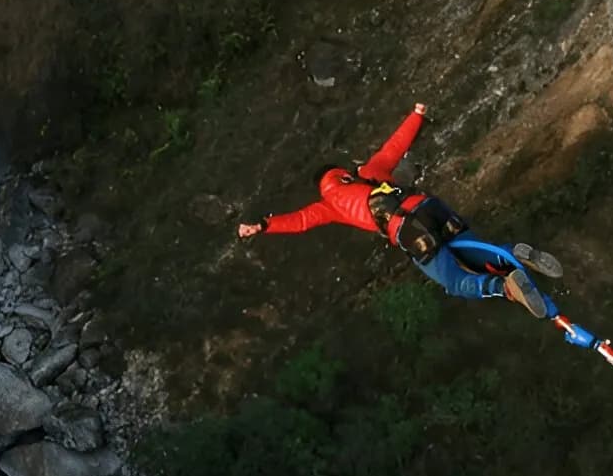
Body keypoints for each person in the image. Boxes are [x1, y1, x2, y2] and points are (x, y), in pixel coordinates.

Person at [237, 103, 562, 318]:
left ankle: (503, 288)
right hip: (429, 207)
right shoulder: (371, 172)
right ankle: (514, 254)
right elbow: (396, 145)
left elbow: (300, 221)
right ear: (342, 172)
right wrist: (417, 114)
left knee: (455, 281)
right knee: (474, 250)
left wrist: (263, 226)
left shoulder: (328, 205)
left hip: (406, 230)